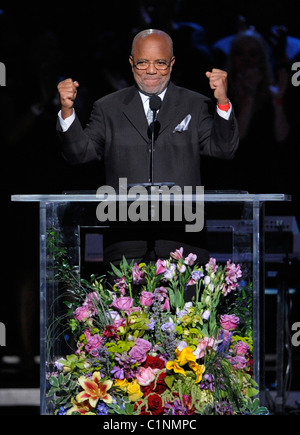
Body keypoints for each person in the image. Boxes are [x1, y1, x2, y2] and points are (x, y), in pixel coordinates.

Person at [56, 29, 239, 267]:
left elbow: (224, 149)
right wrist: (67, 110)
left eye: (160, 63)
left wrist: (222, 102)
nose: (151, 71)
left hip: (184, 241)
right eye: (143, 63)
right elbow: (79, 154)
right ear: (131, 62)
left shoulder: (195, 104)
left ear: (172, 63)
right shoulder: (107, 108)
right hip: (125, 243)